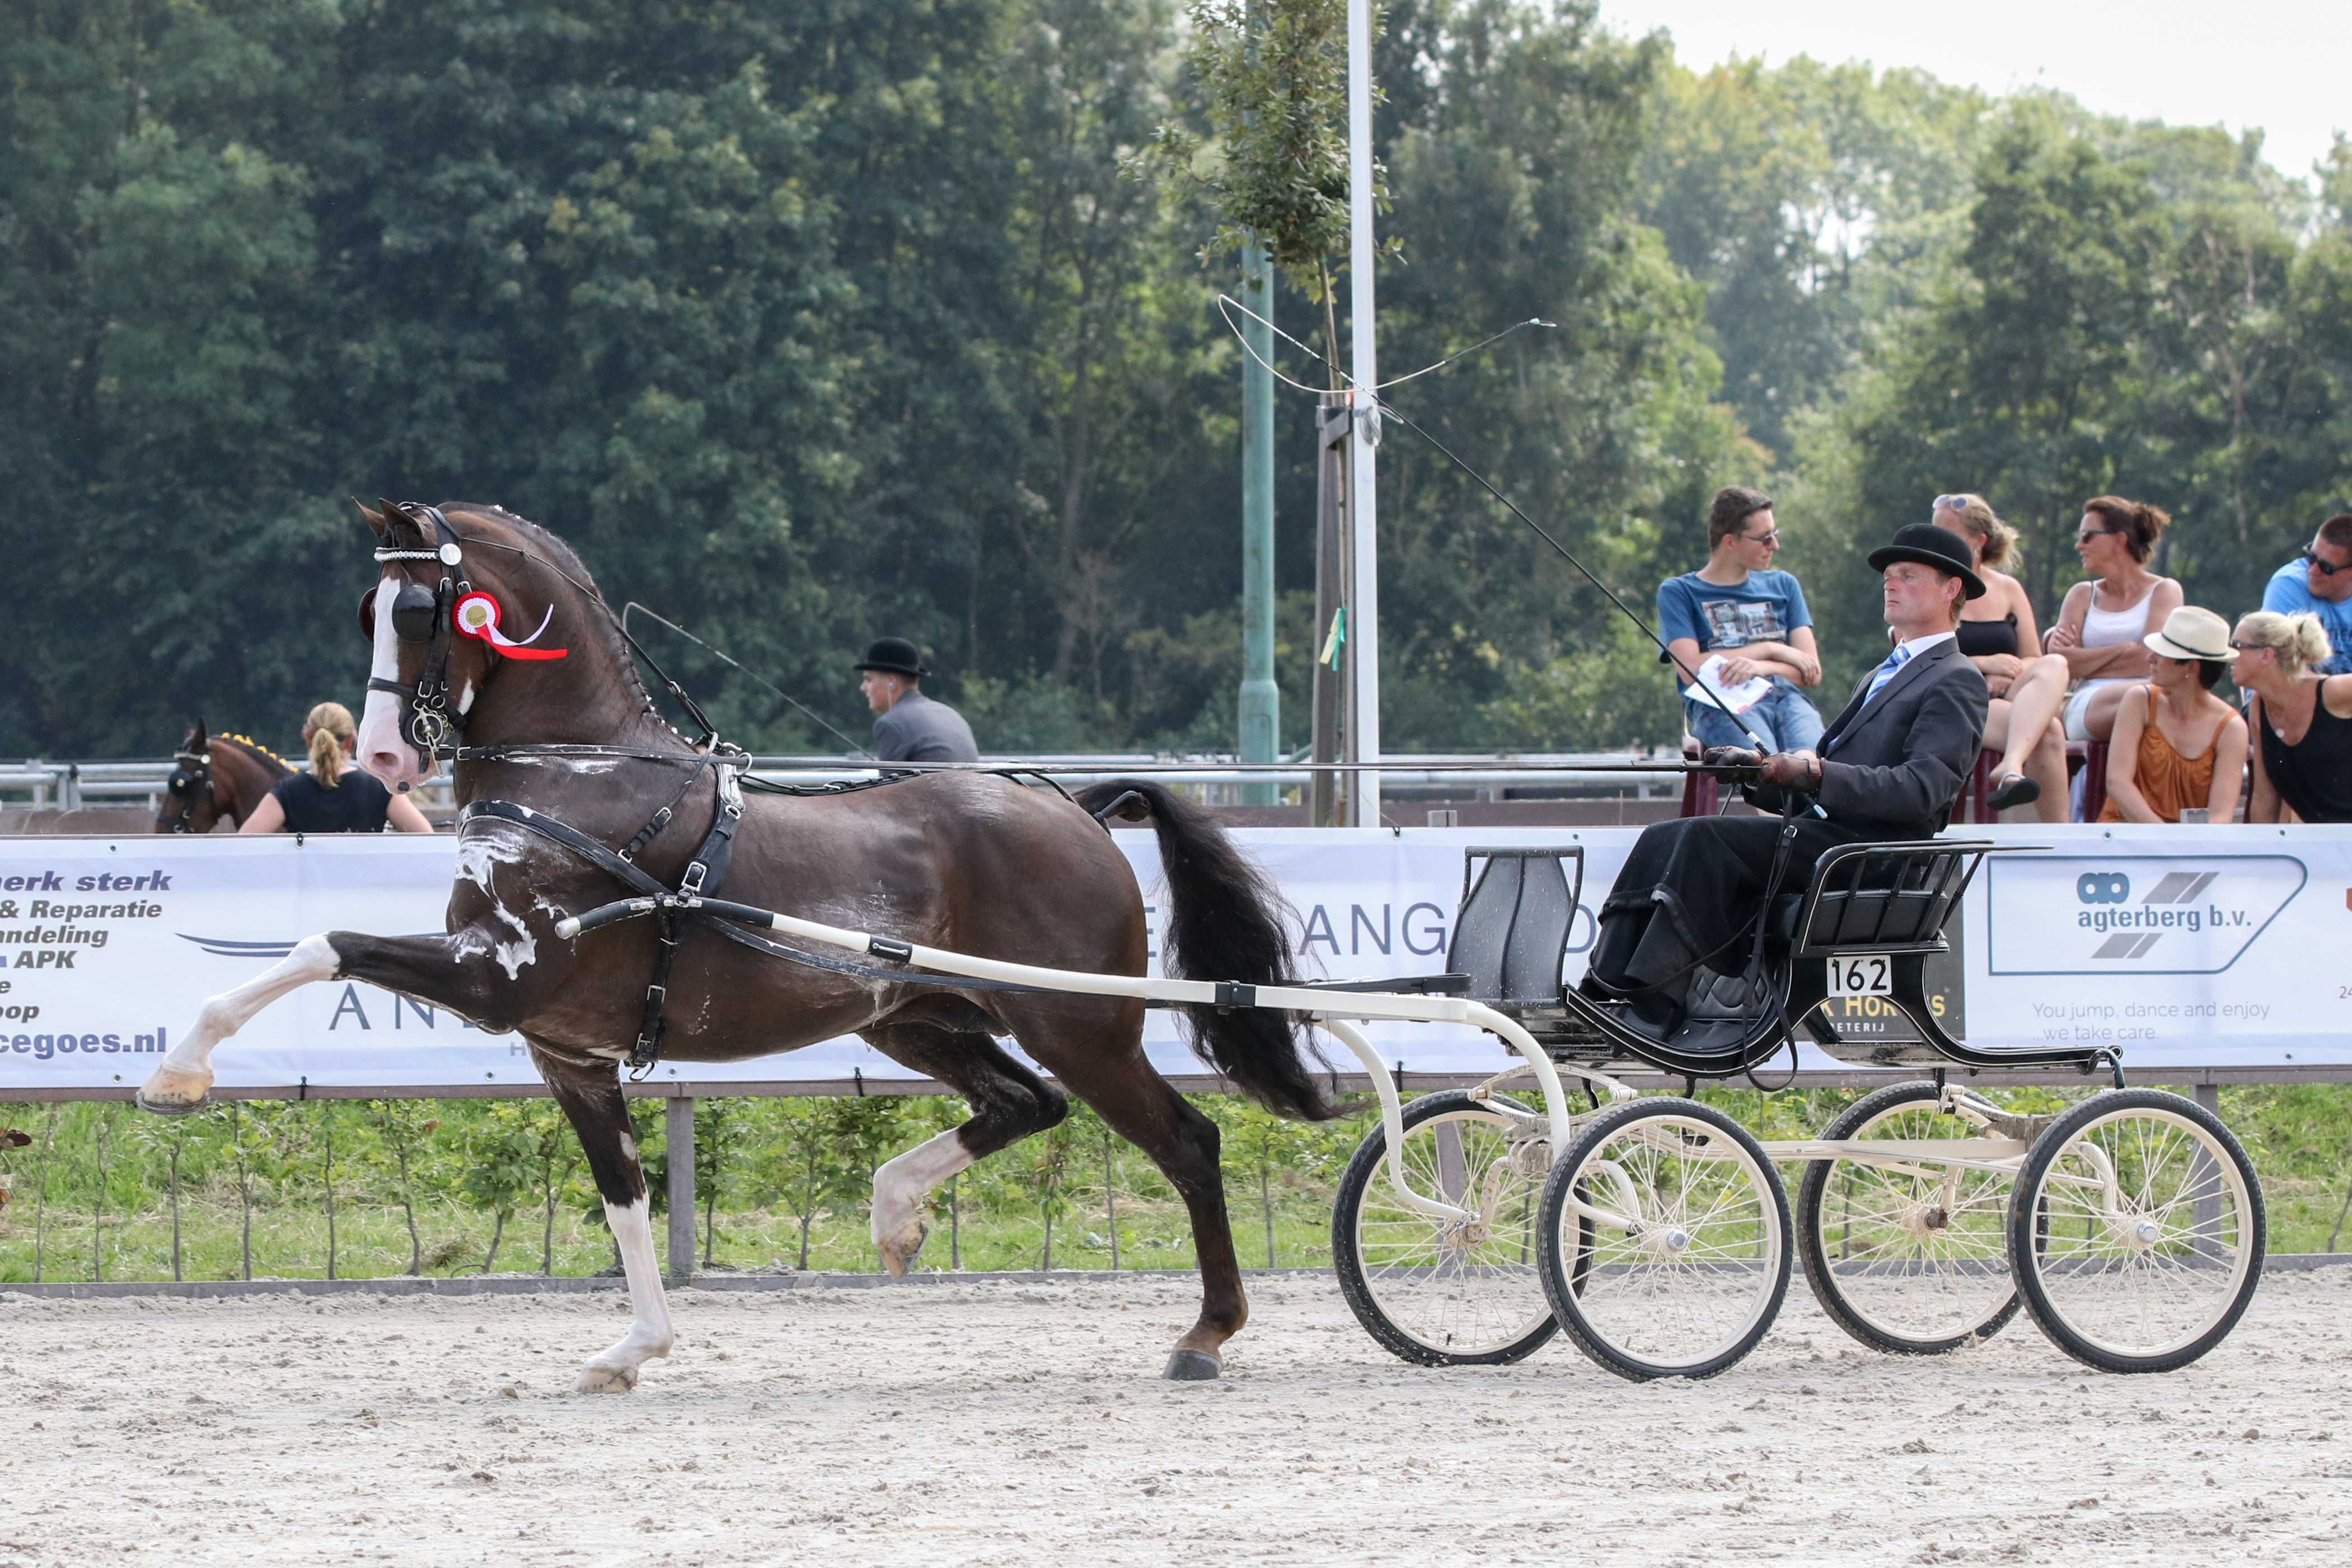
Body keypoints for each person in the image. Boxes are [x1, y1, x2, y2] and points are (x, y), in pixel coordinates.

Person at [1586, 523, 1989, 1039]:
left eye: (1907, 576)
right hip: (1830, 840)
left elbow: (1921, 792)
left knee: (1706, 839)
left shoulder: (1955, 677)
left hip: (1871, 855)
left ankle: (1655, 1004)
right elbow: (1817, 780)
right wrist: (1755, 773)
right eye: (1888, 576)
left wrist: (1816, 772)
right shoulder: (1884, 673)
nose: (1890, 585)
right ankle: (1605, 986)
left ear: (1950, 589)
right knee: (1666, 833)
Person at [1656, 486, 1825, 754]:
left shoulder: (1784, 585)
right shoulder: (1679, 592)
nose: (1775, 546)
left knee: (1811, 766)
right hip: (1723, 702)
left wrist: (1759, 667)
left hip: (1786, 698)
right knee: (1767, 768)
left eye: (1775, 535)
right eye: (1764, 538)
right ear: (1730, 542)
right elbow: (1689, 669)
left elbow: (1811, 671)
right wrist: (1772, 649)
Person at [1934, 493, 2069, 819]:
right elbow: (1919, 656)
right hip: (1958, 695)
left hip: (2008, 692)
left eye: (1947, 534)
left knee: (2057, 663)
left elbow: (2032, 657)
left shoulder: (2008, 589)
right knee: (2049, 731)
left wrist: (2005, 674)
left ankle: (2013, 766)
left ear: (1978, 542)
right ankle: (2055, 827)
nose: (1936, 542)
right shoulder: (1933, 587)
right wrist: (1983, 665)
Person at [2044, 496, 2183, 744]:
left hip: (2151, 692)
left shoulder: (2165, 591)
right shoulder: (2081, 595)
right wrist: (2123, 649)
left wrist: (2086, 663)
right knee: (2152, 699)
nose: (2079, 546)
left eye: (2087, 536)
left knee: (2154, 697)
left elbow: (2148, 660)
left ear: (2120, 540)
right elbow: (2063, 664)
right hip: (2091, 703)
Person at [2098, 607, 2247, 824]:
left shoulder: (2231, 728)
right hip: (2124, 839)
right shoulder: (2140, 701)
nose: (2150, 658)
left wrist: (2181, 850)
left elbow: (2220, 815)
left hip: (2191, 849)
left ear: (2192, 668)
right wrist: (2164, 839)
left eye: (2162, 653)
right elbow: (2117, 782)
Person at [241, 702, 434, 834]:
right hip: (367, 893)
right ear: (350, 741)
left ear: (308, 739)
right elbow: (426, 838)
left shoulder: (287, 793)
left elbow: (242, 843)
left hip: (309, 894)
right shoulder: (377, 788)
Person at [2234, 610, 2352, 824]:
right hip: (2321, 848)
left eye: (2237, 646)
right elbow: (2265, 798)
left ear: (2266, 655)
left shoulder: (2334, 691)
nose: (2230, 655)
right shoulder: (2258, 707)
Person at [855, 636, 979, 763]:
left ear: (892, 683)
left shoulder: (891, 723)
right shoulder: (952, 715)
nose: (863, 688)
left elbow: (890, 783)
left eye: (869, 680)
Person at [2259, 514, 2352, 677]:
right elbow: (2279, 671)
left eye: (2326, 567)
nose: (2312, 570)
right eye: (2311, 557)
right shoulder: (2288, 586)